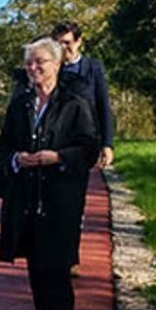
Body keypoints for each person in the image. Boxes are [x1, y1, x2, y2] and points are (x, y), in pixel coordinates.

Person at [0, 37, 97, 310]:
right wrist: (16, 159)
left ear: (56, 65)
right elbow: (4, 147)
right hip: (26, 197)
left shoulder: (74, 103)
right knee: (36, 267)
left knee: (57, 267)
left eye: (41, 62)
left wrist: (57, 157)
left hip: (60, 199)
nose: (34, 68)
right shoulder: (19, 104)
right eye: (30, 63)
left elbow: (88, 149)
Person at [51, 22, 115, 278]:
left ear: (78, 42)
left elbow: (103, 106)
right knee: (53, 201)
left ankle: (70, 256)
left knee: (74, 201)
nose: (63, 48)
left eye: (67, 42)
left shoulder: (92, 68)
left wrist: (107, 143)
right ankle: (54, 252)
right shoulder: (50, 68)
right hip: (54, 144)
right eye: (58, 43)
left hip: (82, 145)